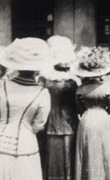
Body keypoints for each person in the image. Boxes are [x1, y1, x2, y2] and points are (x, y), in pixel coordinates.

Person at [0, 38, 52, 180]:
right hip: (26, 144)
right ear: (38, 69)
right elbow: (39, 124)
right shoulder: (42, 93)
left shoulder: (2, 85)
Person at [73, 47, 110, 180]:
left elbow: (79, 108)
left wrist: (86, 110)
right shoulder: (105, 87)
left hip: (87, 118)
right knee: (104, 149)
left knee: (88, 149)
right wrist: (106, 110)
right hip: (102, 117)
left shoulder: (80, 88)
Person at [40, 36, 80, 180]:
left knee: (51, 155)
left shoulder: (45, 79)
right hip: (68, 121)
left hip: (50, 119)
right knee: (68, 155)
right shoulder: (72, 80)